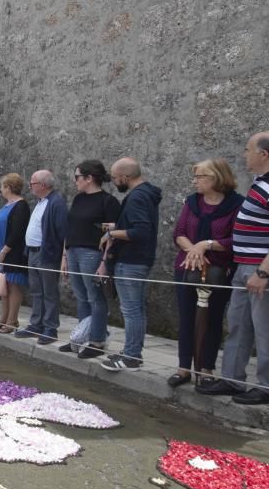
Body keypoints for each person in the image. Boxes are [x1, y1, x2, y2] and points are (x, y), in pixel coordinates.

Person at [196, 132, 269, 404]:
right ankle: (233, 380)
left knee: (267, 327)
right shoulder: (266, 182)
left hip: (267, 269)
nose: (244, 154)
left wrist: (263, 272)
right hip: (247, 264)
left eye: (248, 150)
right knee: (238, 323)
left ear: (264, 154)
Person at [167, 159, 244, 387]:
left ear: (216, 178)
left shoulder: (237, 204)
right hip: (187, 267)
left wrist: (207, 245)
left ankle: (206, 368)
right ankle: (183, 368)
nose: (195, 181)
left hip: (218, 271)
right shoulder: (192, 202)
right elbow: (179, 232)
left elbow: (236, 239)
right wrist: (194, 250)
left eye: (200, 176)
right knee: (186, 318)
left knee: (211, 319)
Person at [99, 157, 163, 372]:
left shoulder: (137, 197)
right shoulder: (145, 194)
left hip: (131, 260)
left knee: (132, 310)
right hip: (137, 259)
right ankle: (131, 351)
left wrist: (111, 233)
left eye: (116, 178)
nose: (115, 182)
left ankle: (132, 356)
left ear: (125, 177)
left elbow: (140, 231)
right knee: (137, 309)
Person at [60, 160, 121, 358]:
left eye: (77, 177)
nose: (75, 180)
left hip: (91, 252)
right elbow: (70, 228)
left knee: (95, 297)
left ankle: (96, 341)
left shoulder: (108, 202)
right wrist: (64, 255)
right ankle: (81, 337)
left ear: (89, 178)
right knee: (81, 296)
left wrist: (105, 261)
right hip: (73, 250)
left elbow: (112, 233)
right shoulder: (79, 199)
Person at [13, 170, 67, 344]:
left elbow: (62, 232)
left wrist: (61, 255)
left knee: (49, 292)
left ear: (43, 185)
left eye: (32, 183)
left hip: (47, 254)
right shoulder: (40, 201)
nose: (30, 186)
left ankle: (50, 328)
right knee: (36, 291)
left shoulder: (56, 203)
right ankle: (36, 324)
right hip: (33, 252)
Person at [0, 173, 30, 333]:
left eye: (2, 186)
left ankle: (12, 320)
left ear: (9, 187)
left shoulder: (21, 206)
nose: (0, 190)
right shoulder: (6, 205)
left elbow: (17, 232)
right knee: (3, 286)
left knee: (13, 287)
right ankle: (3, 317)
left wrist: (4, 251)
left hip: (12, 253)